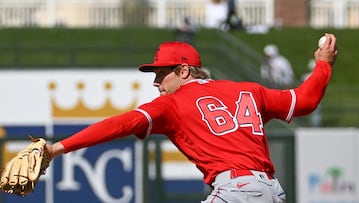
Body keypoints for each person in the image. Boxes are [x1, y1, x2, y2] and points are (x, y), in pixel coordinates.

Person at [46, 34, 338, 202]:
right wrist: (323, 65)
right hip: (272, 192)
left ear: (183, 71)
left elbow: (119, 124)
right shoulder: (249, 90)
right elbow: (305, 100)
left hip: (237, 191)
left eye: (161, 73)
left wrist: (58, 148)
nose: (156, 82)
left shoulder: (172, 105)